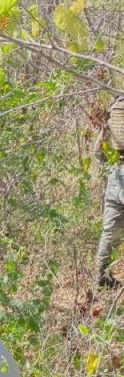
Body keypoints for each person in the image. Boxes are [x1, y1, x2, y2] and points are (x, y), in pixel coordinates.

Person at [95, 94, 124, 288]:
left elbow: (98, 151)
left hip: (116, 173)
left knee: (111, 229)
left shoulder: (116, 106)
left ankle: (101, 276)